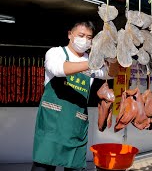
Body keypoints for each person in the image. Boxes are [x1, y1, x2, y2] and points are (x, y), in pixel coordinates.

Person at [31, 21, 116, 171]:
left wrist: (114, 57)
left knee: (75, 167)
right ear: (70, 34)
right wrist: (92, 63)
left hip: (76, 126)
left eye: (89, 38)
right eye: (81, 35)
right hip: (52, 125)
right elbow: (58, 69)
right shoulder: (56, 53)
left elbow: (109, 74)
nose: (85, 40)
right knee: (43, 166)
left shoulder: (90, 60)